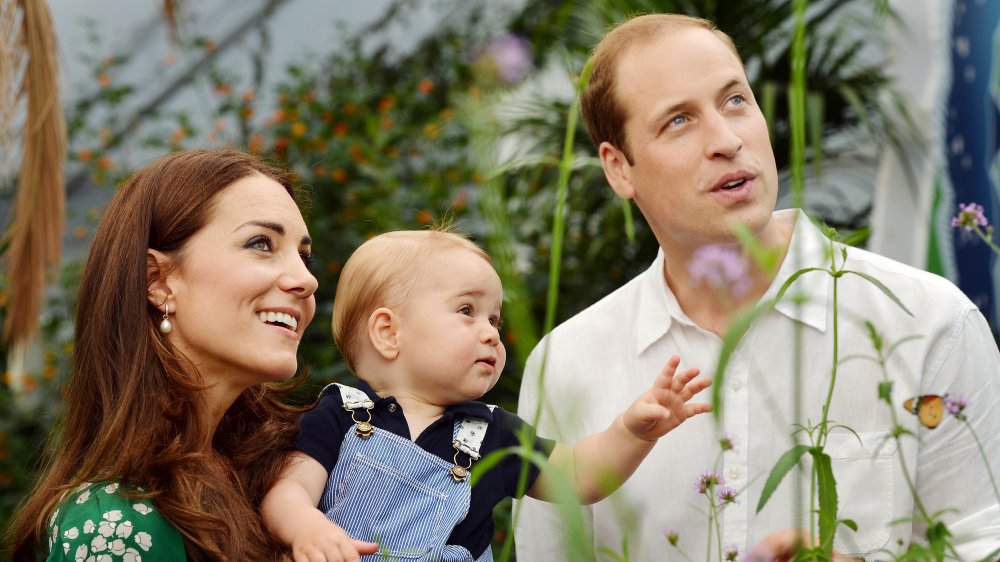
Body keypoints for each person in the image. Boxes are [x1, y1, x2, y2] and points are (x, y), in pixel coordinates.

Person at [514, 12, 1000, 562]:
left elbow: (982, 546)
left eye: (735, 101)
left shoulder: (931, 323)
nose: (725, 140)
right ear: (620, 169)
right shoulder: (566, 363)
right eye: (678, 121)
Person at [259, 229, 713, 562]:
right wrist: (307, 529)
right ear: (388, 332)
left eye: (494, 320)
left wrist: (632, 431)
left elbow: (579, 476)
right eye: (466, 311)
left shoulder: (491, 432)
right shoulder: (340, 412)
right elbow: (289, 490)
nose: (491, 334)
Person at [4, 150, 320, 561]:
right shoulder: (115, 524)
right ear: (158, 281)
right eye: (261, 243)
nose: (306, 279)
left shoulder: (287, 484)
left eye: (304, 255)